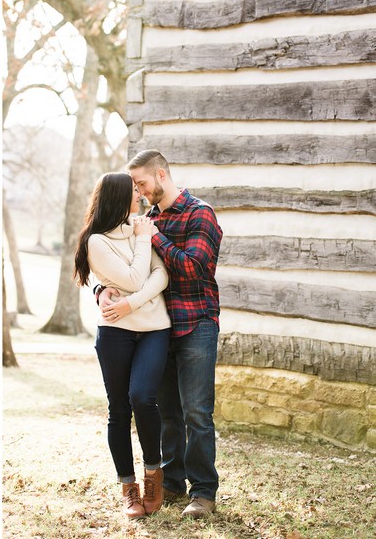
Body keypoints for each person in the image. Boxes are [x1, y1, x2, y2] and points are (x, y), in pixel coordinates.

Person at [114, 149, 223, 518]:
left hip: (196, 324)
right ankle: (174, 484)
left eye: (142, 183)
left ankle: (203, 493)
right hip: (158, 331)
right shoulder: (148, 219)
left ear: (161, 175)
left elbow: (192, 268)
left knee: (197, 413)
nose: (140, 192)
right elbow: (128, 269)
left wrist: (155, 237)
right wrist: (104, 290)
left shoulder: (200, 213)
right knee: (167, 414)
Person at [73, 172, 171, 519]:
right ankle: (129, 488)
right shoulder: (96, 241)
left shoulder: (142, 227)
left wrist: (132, 303)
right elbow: (133, 277)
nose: (140, 196)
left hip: (154, 328)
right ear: (118, 196)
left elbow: (160, 275)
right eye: (134, 192)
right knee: (119, 409)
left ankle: (153, 476)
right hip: (115, 332)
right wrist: (115, 288)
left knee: (144, 397)